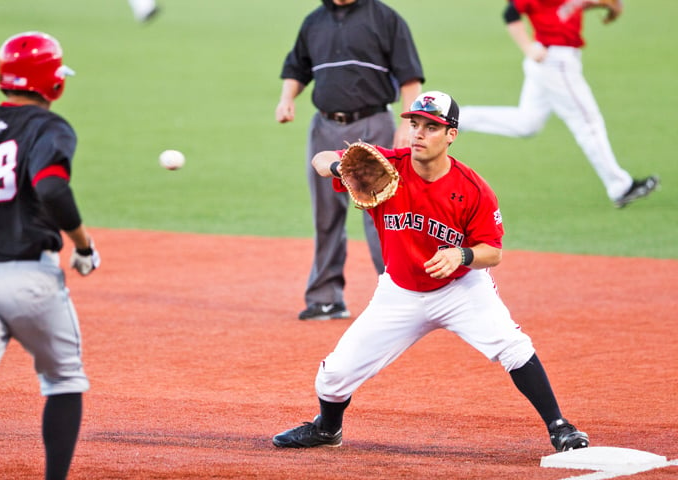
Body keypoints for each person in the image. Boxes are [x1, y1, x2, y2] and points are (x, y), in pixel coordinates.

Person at [272, 90, 589, 452]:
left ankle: (560, 427)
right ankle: (328, 430)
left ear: (451, 134)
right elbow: (321, 157)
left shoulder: (473, 189)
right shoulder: (386, 166)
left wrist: (463, 256)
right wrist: (338, 168)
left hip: (460, 290)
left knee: (513, 347)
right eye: (414, 124)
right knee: (332, 377)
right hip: (399, 292)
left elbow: (493, 252)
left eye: (431, 127)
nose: (418, 133)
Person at [0, 31, 101, 480]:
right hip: (27, 280)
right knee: (63, 379)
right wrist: (82, 244)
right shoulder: (49, 127)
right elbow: (52, 187)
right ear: (53, 83)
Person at [276, 0, 424, 320]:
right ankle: (326, 298)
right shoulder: (315, 21)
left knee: (381, 214)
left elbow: (410, 77)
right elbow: (297, 68)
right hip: (324, 127)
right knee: (325, 215)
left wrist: (406, 123)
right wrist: (287, 99)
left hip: (374, 125)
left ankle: (398, 293)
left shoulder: (384, 18)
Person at [459, 0, 659, 208]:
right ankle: (621, 186)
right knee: (588, 122)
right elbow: (511, 12)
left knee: (527, 123)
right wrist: (528, 48)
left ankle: (458, 119)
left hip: (555, 60)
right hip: (554, 62)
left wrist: (597, 5)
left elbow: (565, 7)